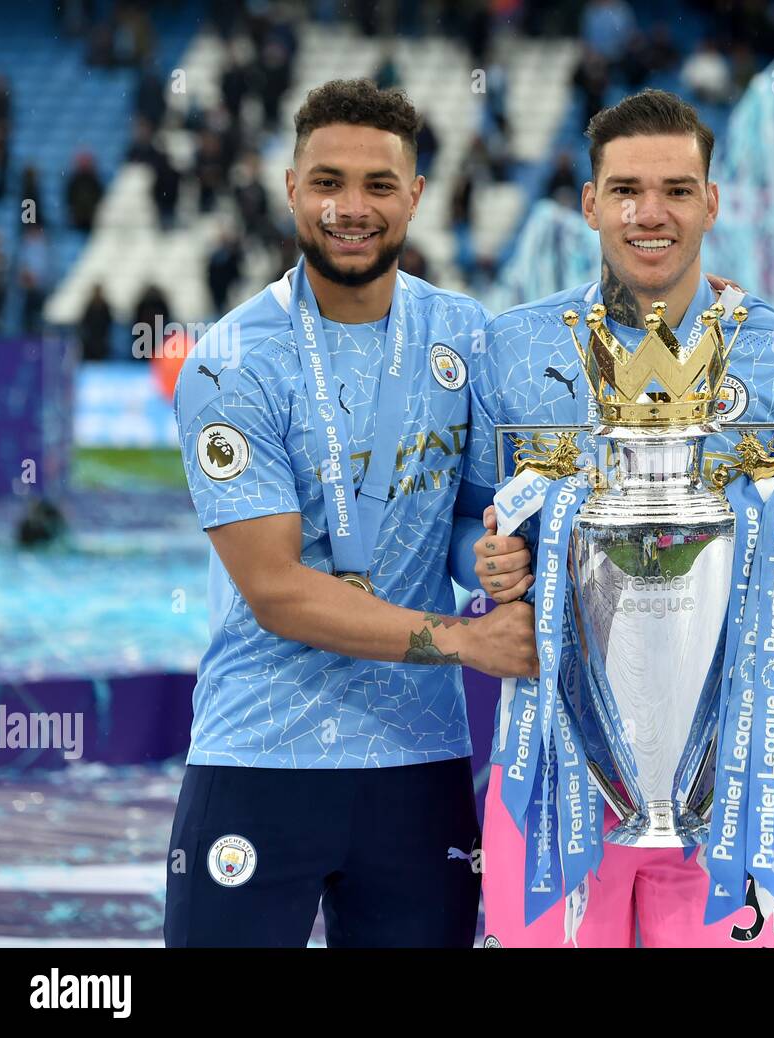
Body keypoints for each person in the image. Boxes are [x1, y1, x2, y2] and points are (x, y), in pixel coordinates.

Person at [459, 89, 774, 948]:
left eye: (676, 188)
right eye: (626, 189)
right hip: (551, 772)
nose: (650, 213)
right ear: (590, 202)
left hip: (725, 779)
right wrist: (484, 566)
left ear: (712, 201)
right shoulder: (513, 350)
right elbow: (462, 522)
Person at [166, 78, 536, 948]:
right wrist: (462, 637)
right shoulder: (230, 363)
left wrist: (486, 560)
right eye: (327, 182)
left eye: (378, 185)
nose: (351, 208)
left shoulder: (465, 336)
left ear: (415, 195)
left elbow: (473, 517)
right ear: (291, 188)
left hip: (418, 763)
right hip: (261, 753)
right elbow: (276, 590)